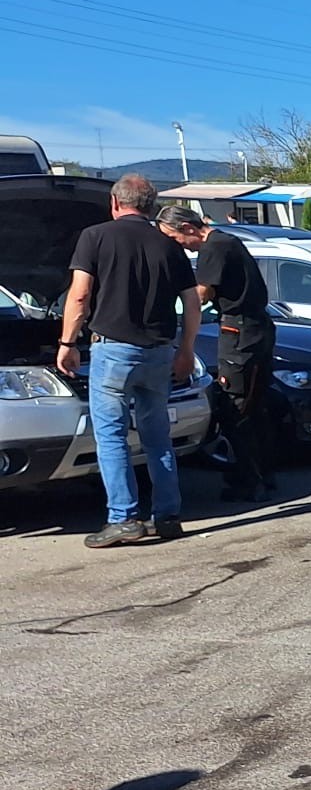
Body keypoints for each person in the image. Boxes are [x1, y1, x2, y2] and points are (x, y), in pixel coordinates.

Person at [55, 175, 201, 547]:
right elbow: (193, 302)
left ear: (115, 203)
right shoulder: (170, 246)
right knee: (158, 439)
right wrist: (185, 349)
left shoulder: (94, 237)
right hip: (159, 352)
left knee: (112, 437)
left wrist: (67, 342)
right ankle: (167, 515)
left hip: (113, 351)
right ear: (150, 206)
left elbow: (79, 296)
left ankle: (123, 518)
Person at [157, 205, 277, 502]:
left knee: (235, 408)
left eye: (173, 238)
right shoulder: (227, 241)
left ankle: (250, 481)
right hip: (255, 328)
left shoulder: (215, 246)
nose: (177, 246)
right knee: (256, 405)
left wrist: (167, 304)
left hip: (239, 332)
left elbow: (201, 293)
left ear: (187, 228)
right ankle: (264, 474)